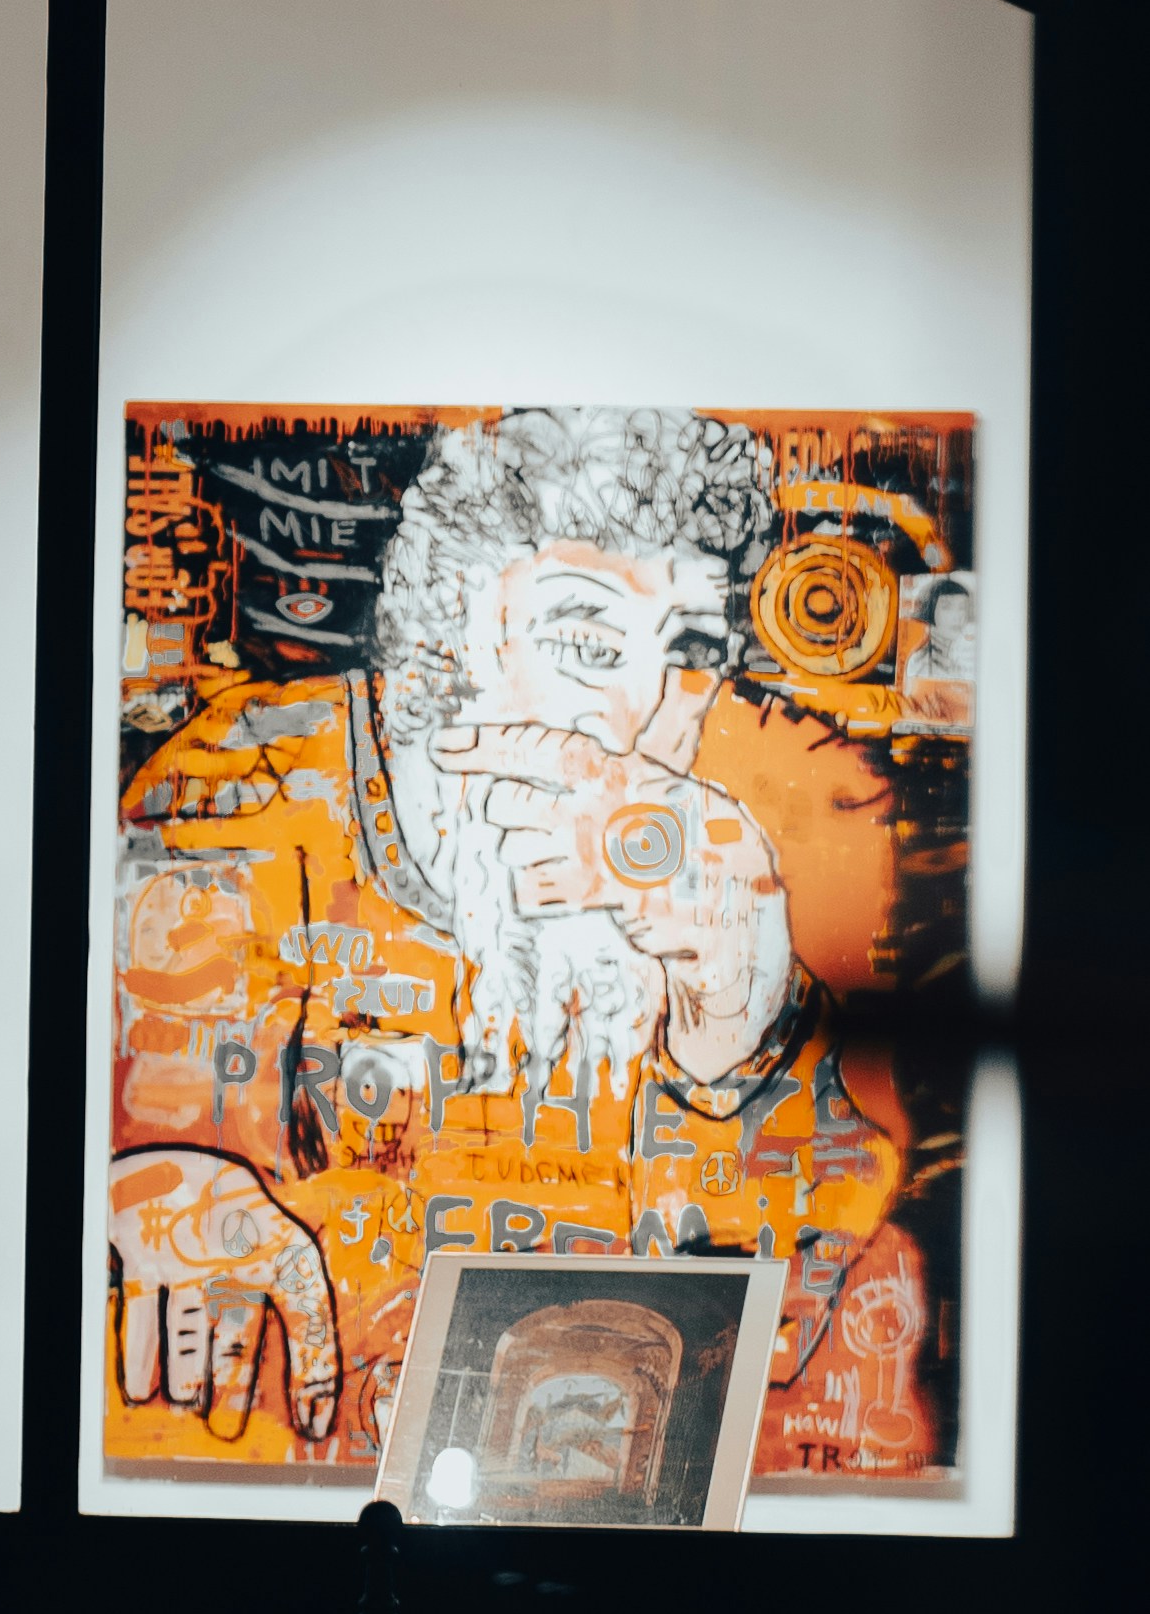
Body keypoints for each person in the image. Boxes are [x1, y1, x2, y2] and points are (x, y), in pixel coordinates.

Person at [110, 399, 947, 1482]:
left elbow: (800, 1312)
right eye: (586, 641)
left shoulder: (758, 839)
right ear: (446, 636)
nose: (647, 713)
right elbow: (156, 1146)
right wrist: (166, 1170)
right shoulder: (246, 786)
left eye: (690, 652)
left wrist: (740, 1020)